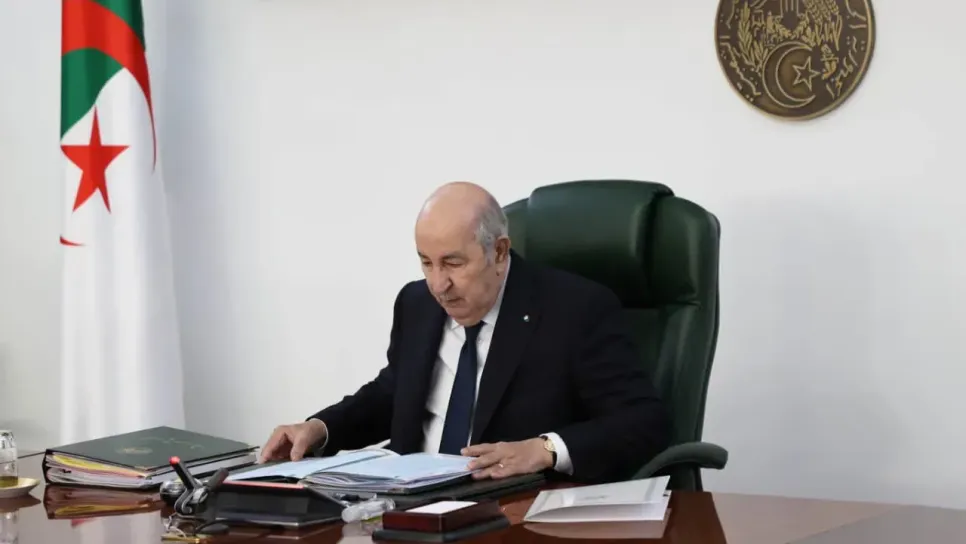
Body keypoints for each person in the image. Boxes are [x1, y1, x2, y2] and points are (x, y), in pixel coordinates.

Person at [260, 181, 671, 484]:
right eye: (426, 262)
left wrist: (545, 449)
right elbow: (392, 394)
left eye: (453, 263)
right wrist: (321, 429)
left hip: (510, 508)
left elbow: (643, 421)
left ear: (499, 251)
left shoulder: (575, 310)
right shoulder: (416, 303)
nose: (438, 284)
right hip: (408, 507)